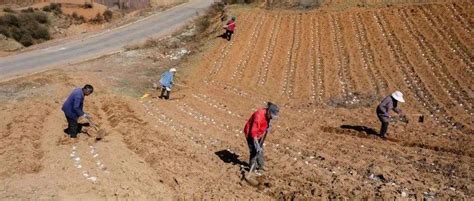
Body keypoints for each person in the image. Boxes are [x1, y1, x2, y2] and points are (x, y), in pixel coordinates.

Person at [243, 102, 279, 175]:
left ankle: (261, 166)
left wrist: (268, 126)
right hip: (251, 135)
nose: (272, 118)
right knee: (254, 151)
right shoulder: (259, 116)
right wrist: (256, 144)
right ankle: (252, 169)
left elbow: (267, 121)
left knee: (260, 150)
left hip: (259, 134)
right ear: (268, 112)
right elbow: (253, 132)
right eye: (271, 116)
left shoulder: (268, 115)